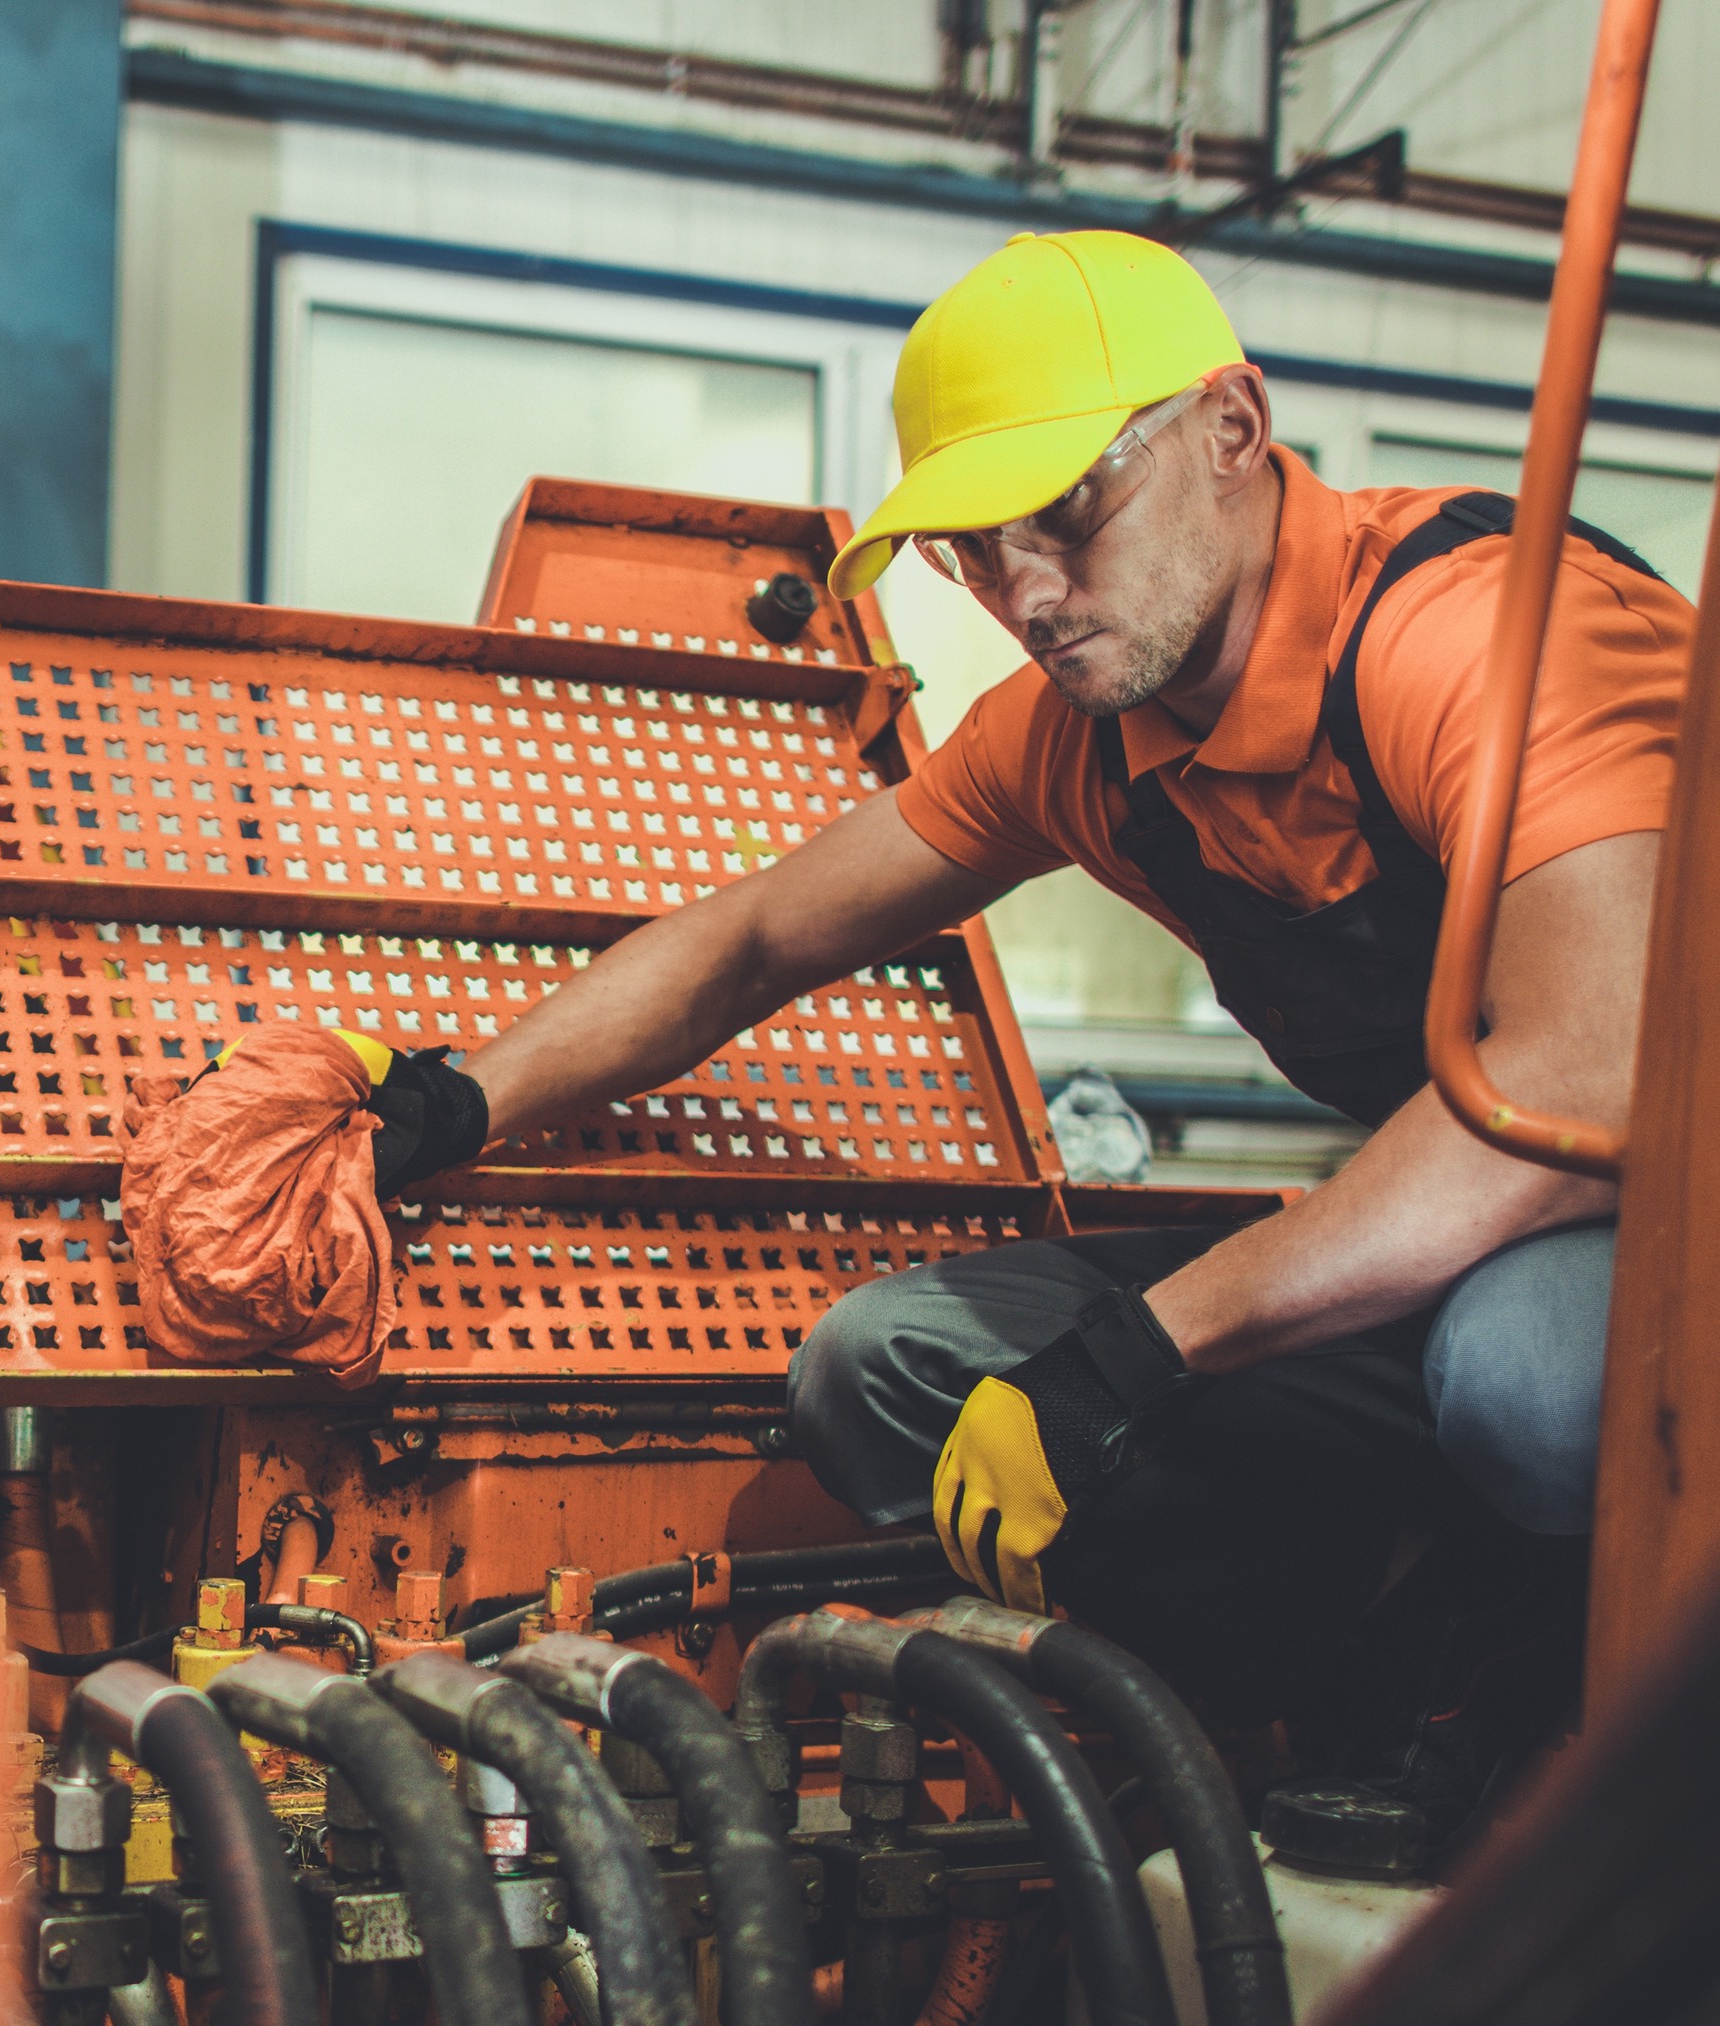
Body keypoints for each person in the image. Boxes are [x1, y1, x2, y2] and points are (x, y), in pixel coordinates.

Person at [399, 229, 1686, 1843]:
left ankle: (1537, 1683)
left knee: (1527, 1377)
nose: (1026, 597)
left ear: (1232, 427)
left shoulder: (1475, 637)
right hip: (1471, 1233)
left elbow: (1570, 1084)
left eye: (1071, 517)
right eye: (972, 553)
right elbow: (750, 938)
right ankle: (1360, 1680)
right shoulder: (1086, 741)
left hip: (1651, 1233)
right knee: (885, 1368)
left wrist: (1142, 1350)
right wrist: (445, 1101)